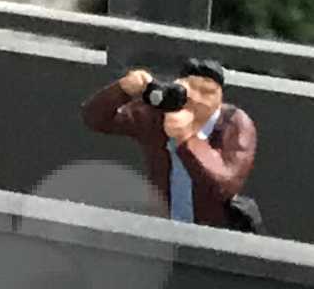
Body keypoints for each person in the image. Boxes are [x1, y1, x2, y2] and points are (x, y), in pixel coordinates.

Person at [82, 57, 260, 232]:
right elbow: (96, 119)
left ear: (220, 98)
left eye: (206, 92)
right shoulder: (157, 115)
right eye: (189, 89)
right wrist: (122, 90)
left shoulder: (235, 123)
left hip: (212, 230)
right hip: (163, 223)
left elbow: (225, 184)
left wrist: (188, 140)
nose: (196, 99)